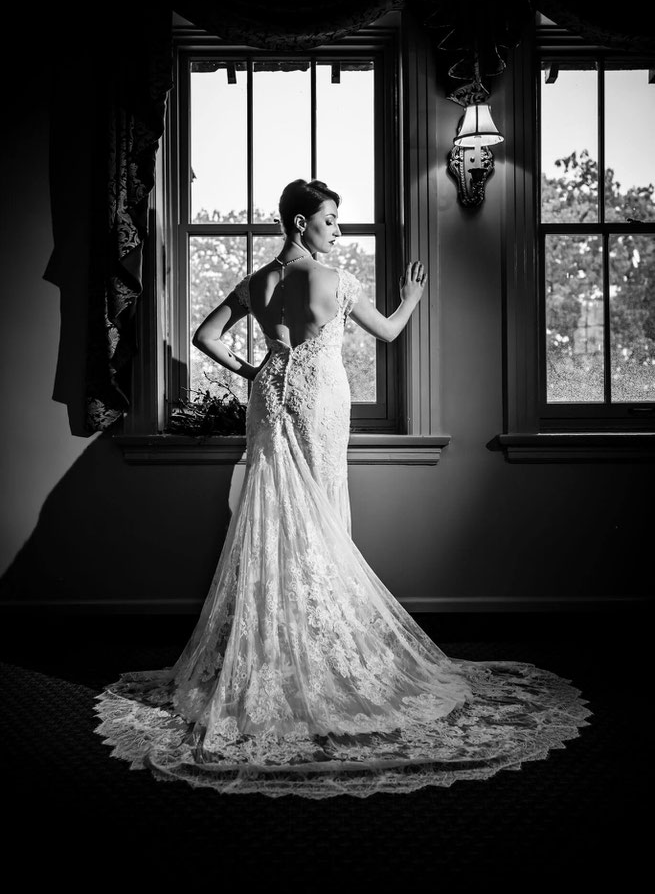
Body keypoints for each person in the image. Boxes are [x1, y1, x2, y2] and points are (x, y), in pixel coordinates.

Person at [95, 179, 590, 799]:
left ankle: (278, 646)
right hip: (319, 401)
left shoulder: (257, 283)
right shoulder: (333, 280)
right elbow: (387, 332)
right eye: (330, 221)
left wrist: (255, 370)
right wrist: (410, 297)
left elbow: (204, 338)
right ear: (300, 223)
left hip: (270, 396)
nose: (338, 231)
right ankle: (322, 648)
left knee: (273, 513)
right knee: (322, 512)